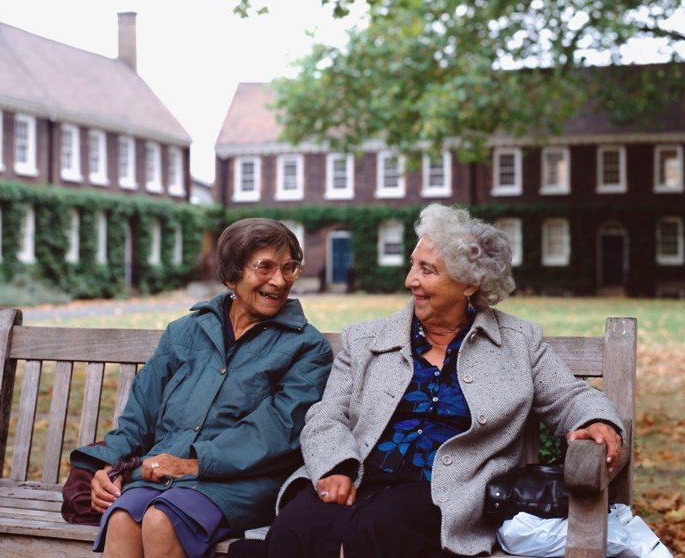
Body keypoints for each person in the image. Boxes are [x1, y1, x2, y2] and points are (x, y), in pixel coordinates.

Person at [236, 203, 623, 558]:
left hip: (442, 490)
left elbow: (569, 397)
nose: (410, 280)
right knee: (298, 525)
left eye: (427, 270)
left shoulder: (518, 343)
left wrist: (596, 420)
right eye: (413, 265)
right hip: (356, 474)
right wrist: (334, 467)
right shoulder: (366, 340)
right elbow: (327, 414)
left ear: (469, 284)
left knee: (378, 532)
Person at [71, 218, 333, 558]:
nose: (280, 281)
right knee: (121, 517)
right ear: (232, 275)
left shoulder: (307, 347)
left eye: (289, 268)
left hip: (244, 483)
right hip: (162, 473)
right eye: (265, 267)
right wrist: (108, 468)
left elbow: (276, 433)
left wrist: (193, 464)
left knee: (162, 519)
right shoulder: (184, 333)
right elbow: (139, 414)